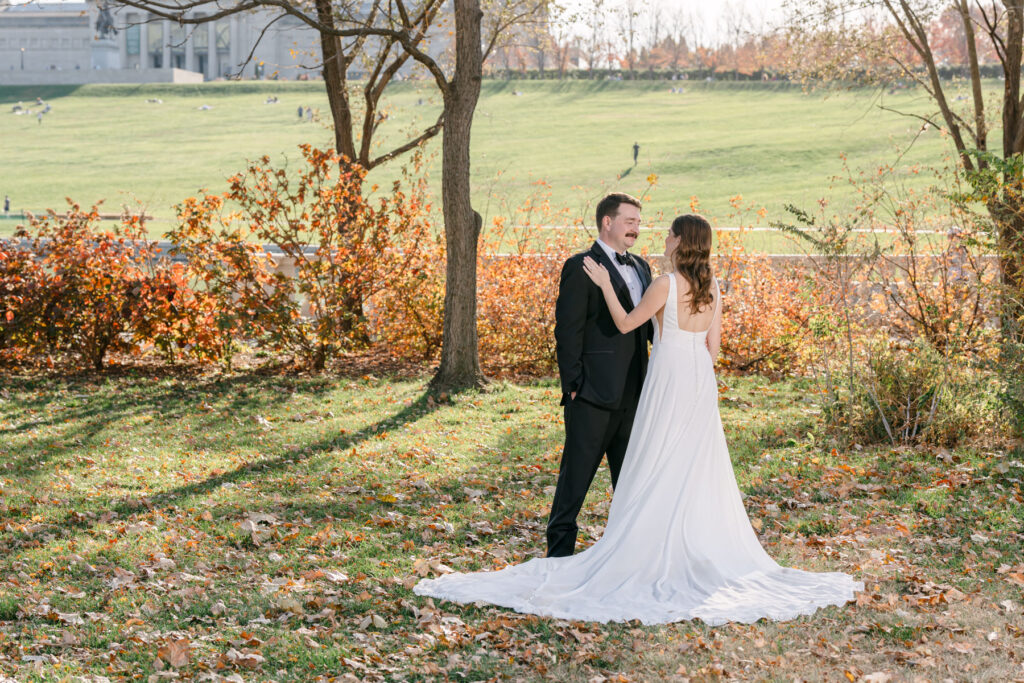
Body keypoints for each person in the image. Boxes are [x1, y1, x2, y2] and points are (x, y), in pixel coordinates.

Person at [414, 214, 862, 625]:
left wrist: (606, 285)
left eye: (669, 234)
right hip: (699, 379)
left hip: (668, 377)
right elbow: (713, 350)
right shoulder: (713, 287)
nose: (663, 238)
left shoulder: (666, 283)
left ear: (681, 242)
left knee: (657, 456)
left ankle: (651, 541)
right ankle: (690, 540)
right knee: (693, 463)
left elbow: (629, 324)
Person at [547, 192, 653, 558]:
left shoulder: (642, 267)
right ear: (607, 222)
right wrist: (574, 386)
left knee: (629, 486)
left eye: (638, 223)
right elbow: (567, 331)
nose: (635, 229)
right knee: (573, 484)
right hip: (591, 396)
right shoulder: (580, 266)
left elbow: (646, 327)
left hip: (635, 396)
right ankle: (558, 559)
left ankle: (625, 559)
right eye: (629, 221)